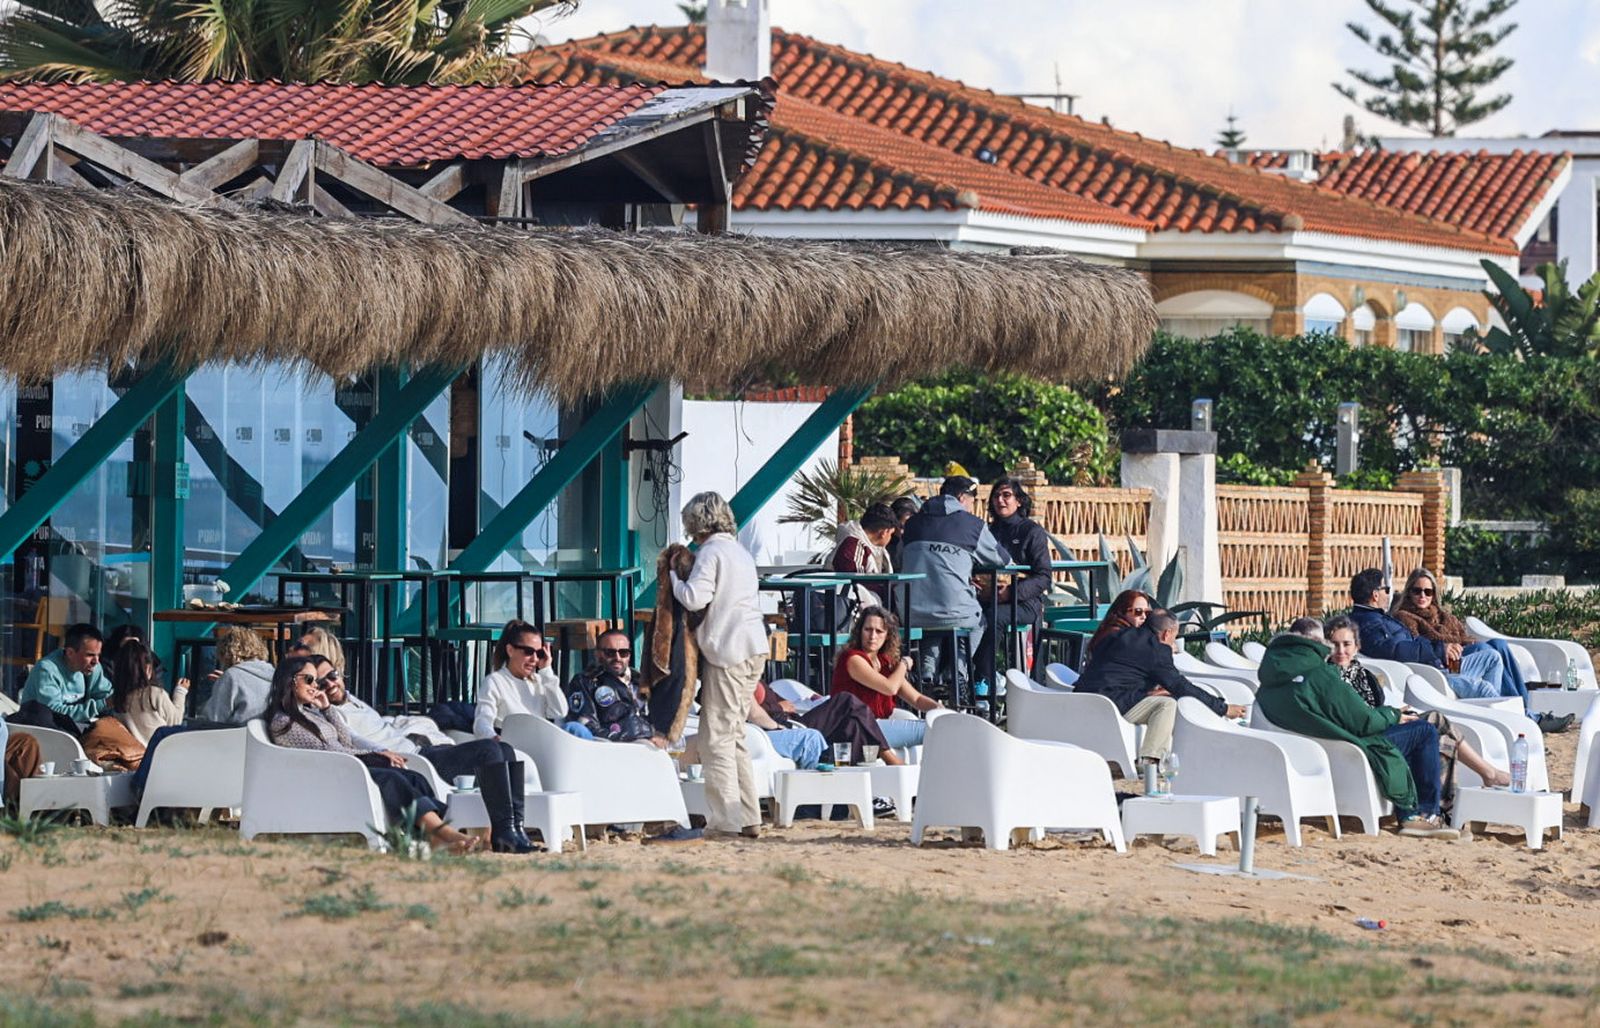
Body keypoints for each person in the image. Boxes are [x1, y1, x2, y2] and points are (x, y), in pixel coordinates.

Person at [1256, 618, 1459, 839]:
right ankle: (1424, 814)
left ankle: (1412, 815)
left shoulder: (1270, 679)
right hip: (1347, 748)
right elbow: (1363, 722)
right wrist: (1392, 715)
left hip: (1310, 751)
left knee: (1410, 732)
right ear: (1316, 641)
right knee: (1423, 731)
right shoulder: (1320, 675)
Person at [265, 655, 482, 855]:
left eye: (316, 682)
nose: (315, 687)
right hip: (331, 777)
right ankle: (444, 834)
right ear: (291, 681)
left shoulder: (311, 713)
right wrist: (372, 755)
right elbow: (329, 752)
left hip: (344, 768)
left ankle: (434, 838)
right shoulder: (285, 722)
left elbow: (345, 741)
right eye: (310, 680)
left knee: (413, 776)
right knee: (393, 779)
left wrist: (327, 709)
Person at [318, 663, 534, 853]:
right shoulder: (332, 715)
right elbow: (353, 739)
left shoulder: (353, 701)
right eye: (320, 683)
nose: (329, 683)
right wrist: (381, 751)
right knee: (489, 749)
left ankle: (515, 829)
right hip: (414, 760)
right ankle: (503, 832)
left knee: (504, 749)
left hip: (423, 748)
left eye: (332, 675)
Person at [1345, 568, 1569, 733]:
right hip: (1427, 675)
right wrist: (1438, 649)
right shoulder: (1371, 623)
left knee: (1492, 655)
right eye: (1385, 589)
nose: (1388, 593)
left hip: (1435, 665)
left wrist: (1444, 648)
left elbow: (1410, 644)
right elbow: (1397, 650)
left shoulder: (1376, 619)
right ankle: (1527, 723)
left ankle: (1505, 721)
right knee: (1482, 684)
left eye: (1428, 592)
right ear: (1375, 595)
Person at [670, 490, 770, 840]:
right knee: (735, 734)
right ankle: (747, 816)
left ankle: (725, 820)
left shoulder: (711, 552)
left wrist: (673, 579)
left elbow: (694, 597)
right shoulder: (739, 552)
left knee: (716, 739)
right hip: (753, 646)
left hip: (729, 651)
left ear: (697, 522)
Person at [1324, 614, 1509, 792]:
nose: (1341, 651)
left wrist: (1396, 712)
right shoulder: (1329, 678)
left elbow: (1373, 707)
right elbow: (1357, 717)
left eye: (1346, 644)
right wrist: (1393, 716)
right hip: (1368, 738)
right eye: (1335, 645)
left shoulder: (1362, 674)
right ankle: (1485, 775)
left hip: (1382, 726)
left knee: (1439, 733)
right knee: (1434, 722)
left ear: (1356, 647)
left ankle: (1444, 803)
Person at [1073, 611, 1244, 769]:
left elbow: (1117, 674)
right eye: (1174, 637)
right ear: (1167, 633)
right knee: (1166, 705)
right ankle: (1150, 764)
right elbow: (1180, 686)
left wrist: (1147, 693)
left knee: (1162, 698)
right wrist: (1223, 708)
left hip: (1081, 701)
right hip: (1112, 708)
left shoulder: (1116, 636)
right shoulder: (1156, 650)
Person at [899, 475, 1010, 693]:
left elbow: (900, 560)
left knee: (931, 627)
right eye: (972, 500)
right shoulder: (972, 525)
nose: (971, 506)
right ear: (962, 497)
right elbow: (1002, 560)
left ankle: (927, 674)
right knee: (976, 622)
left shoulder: (912, 524)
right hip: (954, 612)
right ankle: (957, 674)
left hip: (911, 613)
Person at [829, 606, 942, 756]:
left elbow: (916, 698)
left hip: (877, 726)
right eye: (868, 630)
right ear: (859, 632)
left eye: (879, 631)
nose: (872, 636)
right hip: (859, 728)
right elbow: (890, 688)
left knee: (945, 726)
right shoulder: (852, 659)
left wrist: (939, 709)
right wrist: (904, 664)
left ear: (888, 635)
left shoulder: (885, 662)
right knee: (937, 730)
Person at [974, 475, 1053, 682]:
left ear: (1018, 501)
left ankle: (985, 679)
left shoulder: (1032, 531)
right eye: (996, 496)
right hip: (985, 597)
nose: (1000, 500)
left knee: (993, 617)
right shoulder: (986, 532)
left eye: (1006, 495)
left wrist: (1011, 593)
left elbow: (1043, 577)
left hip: (1024, 602)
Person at [472, 620, 566, 739]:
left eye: (539, 653)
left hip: (539, 744)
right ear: (510, 650)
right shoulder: (495, 682)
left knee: (574, 728)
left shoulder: (540, 681)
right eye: (528, 652)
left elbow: (560, 712)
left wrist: (546, 671)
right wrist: (493, 738)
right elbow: (483, 721)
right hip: (514, 747)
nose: (534, 659)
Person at [562, 629, 659, 744]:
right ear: (597, 654)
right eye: (610, 652)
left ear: (629, 655)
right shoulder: (586, 682)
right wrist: (622, 740)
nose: (617, 658)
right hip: (613, 749)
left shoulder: (641, 680)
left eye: (623, 652)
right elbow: (587, 725)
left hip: (651, 745)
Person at [18, 623, 111, 732]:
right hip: (44, 731)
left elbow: (106, 694)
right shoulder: (47, 670)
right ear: (70, 653)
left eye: (98, 655)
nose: (96, 661)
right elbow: (55, 713)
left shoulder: (93, 668)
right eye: (90, 655)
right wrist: (102, 704)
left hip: (75, 727)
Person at [109, 639, 188, 748]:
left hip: (132, 757)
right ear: (148, 667)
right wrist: (181, 691)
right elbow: (175, 722)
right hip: (158, 755)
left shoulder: (116, 697)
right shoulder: (154, 693)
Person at [200, 627, 276, 725]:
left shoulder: (232, 677)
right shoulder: (273, 672)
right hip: (266, 734)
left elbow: (213, 719)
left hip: (237, 735)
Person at [830, 502, 898, 604]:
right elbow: (857, 584)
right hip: (845, 604)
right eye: (891, 534)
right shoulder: (852, 545)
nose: (891, 538)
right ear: (884, 533)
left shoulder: (876, 549)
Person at [1084, 590, 1155, 663]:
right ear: (1122, 611)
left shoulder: (1111, 630)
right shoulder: (1119, 636)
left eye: (1147, 612)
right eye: (1138, 611)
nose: (1143, 616)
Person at [885, 495, 921, 570]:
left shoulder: (919, 542)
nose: (901, 531)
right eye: (898, 526)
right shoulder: (884, 539)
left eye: (905, 527)